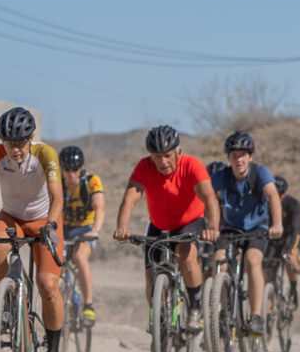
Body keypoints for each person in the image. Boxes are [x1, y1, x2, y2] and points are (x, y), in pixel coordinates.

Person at [0, 106, 68, 352]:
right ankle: (9, 303)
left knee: (47, 285)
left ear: (31, 137)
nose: (14, 149)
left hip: (44, 219)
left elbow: (57, 196)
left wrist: (51, 224)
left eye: (20, 143)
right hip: (11, 217)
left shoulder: (45, 153)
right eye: (9, 143)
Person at [114, 125, 217, 322]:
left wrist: (212, 228)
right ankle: (159, 319)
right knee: (150, 273)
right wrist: (122, 227)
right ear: (151, 156)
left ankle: (195, 307)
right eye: (157, 157)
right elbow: (130, 199)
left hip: (190, 221)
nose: (163, 162)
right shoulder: (145, 167)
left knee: (186, 255)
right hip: (159, 225)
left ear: (178, 152)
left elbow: (209, 197)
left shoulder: (192, 165)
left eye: (168, 156)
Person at [206, 131, 282, 336]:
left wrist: (277, 224)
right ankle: (222, 312)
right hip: (230, 227)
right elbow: (206, 197)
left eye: (242, 155)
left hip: (257, 228)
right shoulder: (221, 176)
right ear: (228, 157)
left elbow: (273, 196)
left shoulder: (260, 173)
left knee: (252, 261)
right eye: (234, 155)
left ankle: (255, 317)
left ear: (250, 156)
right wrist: (210, 226)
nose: (238, 159)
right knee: (219, 260)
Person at [57, 144, 103, 328]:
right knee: (56, 261)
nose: (71, 174)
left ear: (81, 168)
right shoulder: (57, 183)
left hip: (85, 229)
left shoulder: (91, 181)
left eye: (75, 169)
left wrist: (95, 230)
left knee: (79, 257)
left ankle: (88, 305)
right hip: (65, 229)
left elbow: (100, 207)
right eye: (67, 170)